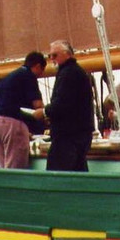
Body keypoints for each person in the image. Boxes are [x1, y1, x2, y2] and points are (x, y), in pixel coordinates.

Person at [42, 40, 95, 171]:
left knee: (58, 176)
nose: (52, 59)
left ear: (67, 54)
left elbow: (61, 104)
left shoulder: (68, 74)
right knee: (77, 173)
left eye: (55, 56)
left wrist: (45, 112)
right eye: (50, 56)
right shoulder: (75, 72)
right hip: (79, 134)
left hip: (68, 136)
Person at [0, 51, 46, 168]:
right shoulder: (29, 76)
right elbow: (37, 105)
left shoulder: (11, 76)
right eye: (41, 71)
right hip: (11, 122)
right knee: (15, 165)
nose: (40, 75)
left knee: (3, 164)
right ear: (38, 66)